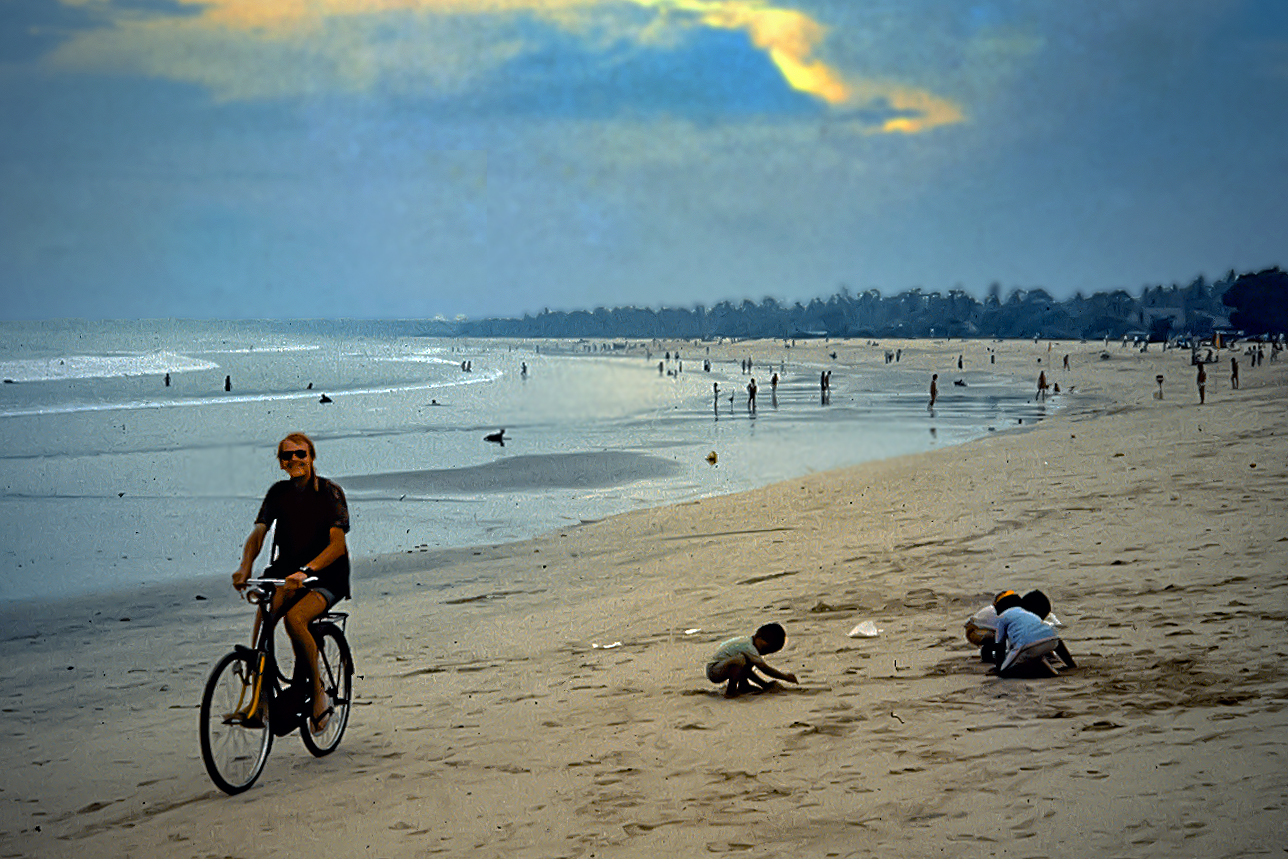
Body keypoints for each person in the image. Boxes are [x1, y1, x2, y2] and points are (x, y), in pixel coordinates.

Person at [233, 432, 351, 733]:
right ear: (281, 463)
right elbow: (258, 533)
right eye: (288, 456)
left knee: (296, 620)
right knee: (266, 613)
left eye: (301, 454)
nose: (295, 459)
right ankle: (258, 698)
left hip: (326, 573)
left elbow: (338, 545)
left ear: (311, 457)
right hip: (287, 572)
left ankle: (319, 694)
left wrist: (307, 570)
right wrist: (245, 566)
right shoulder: (278, 493)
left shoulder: (330, 493)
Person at [993, 590, 1075, 677]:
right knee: (1042, 642)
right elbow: (1055, 641)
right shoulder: (1027, 614)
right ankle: (1061, 666)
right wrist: (1071, 664)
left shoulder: (1002, 618)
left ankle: (1038, 668)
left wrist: (999, 669)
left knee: (1006, 669)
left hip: (1028, 647)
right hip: (1052, 639)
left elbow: (999, 646)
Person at [705, 623, 798, 698]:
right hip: (714, 671)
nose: (763, 653)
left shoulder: (748, 643)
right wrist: (785, 677)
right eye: (765, 649)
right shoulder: (750, 648)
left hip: (720, 667)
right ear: (759, 639)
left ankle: (743, 685)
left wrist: (764, 685)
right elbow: (765, 669)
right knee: (740, 660)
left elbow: (747, 670)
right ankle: (730, 691)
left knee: (746, 661)